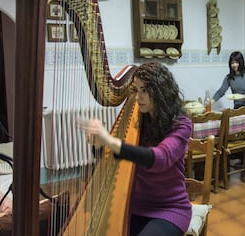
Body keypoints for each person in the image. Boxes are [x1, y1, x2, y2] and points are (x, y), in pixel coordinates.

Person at [78, 62, 192, 236]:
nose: (138, 97)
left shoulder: (181, 124)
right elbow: (114, 156)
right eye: (136, 90)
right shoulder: (137, 119)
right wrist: (98, 145)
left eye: (144, 90)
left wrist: (109, 141)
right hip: (133, 206)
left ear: (161, 91)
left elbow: (160, 158)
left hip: (168, 209)